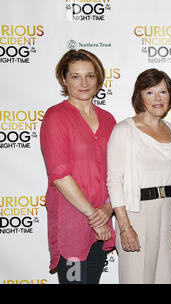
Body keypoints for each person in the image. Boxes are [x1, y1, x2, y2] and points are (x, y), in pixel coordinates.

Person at [40, 49, 115, 284]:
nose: (84, 83)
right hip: (72, 223)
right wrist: (94, 215)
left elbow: (117, 173)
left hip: (102, 219)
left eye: (90, 76)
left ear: (99, 79)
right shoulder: (56, 117)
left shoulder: (108, 120)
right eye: (75, 76)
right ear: (64, 79)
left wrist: (108, 209)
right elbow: (60, 175)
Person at [107, 69, 171, 284]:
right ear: (139, 96)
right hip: (136, 214)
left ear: (170, 96)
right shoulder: (124, 130)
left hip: (170, 213)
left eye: (163, 92)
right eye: (150, 92)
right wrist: (125, 227)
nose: (158, 98)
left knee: (166, 278)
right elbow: (114, 181)